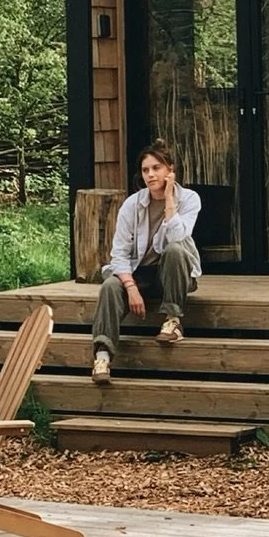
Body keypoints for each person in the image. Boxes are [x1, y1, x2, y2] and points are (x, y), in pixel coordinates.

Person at [90, 140, 201, 385]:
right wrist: (130, 288)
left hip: (172, 274)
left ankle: (173, 320)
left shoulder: (189, 199)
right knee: (109, 286)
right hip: (138, 274)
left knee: (174, 250)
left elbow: (178, 238)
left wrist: (170, 199)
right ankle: (102, 356)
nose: (150, 175)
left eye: (156, 168)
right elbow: (119, 254)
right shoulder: (132, 204)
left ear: (169, 170)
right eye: (145, 170)